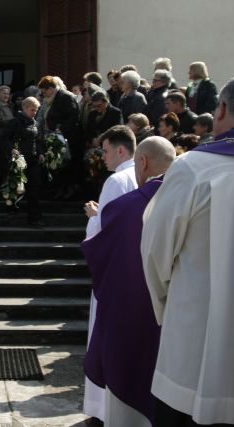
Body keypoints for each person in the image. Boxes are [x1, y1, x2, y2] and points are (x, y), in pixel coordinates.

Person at [142, 74, 234, 427]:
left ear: (221, 109)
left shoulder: (192, 167)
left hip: (195, 346)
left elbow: (154, 254)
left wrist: (168, 308)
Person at [82, 136, 176, 427]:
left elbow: (101, 245)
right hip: (175, 317)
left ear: (143, 161)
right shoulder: (191, 199)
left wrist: (96, 219)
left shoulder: (127, 206)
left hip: (131, 308)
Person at [82, 125, 138, 423]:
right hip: (135, 271)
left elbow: (105, 231)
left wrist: (94, 217)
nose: (101, 157)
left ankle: (101, 409)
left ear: (120, 150)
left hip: (112, 271)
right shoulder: (143, 176)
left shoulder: (117, 180)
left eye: (104, 151)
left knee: (103, 339)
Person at [2, 97, 46, 225]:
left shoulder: (35, 123)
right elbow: (4, 138)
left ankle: (35, 218)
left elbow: (37, 140)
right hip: (19, 160)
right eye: (32, 110)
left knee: (34, 188)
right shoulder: (15, 122)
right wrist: (11, 150)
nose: (35, 112)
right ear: (25, 108)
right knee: (15, 188)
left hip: (32, 160)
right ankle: (12, 214)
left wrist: (41, 152)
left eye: (36, 110)